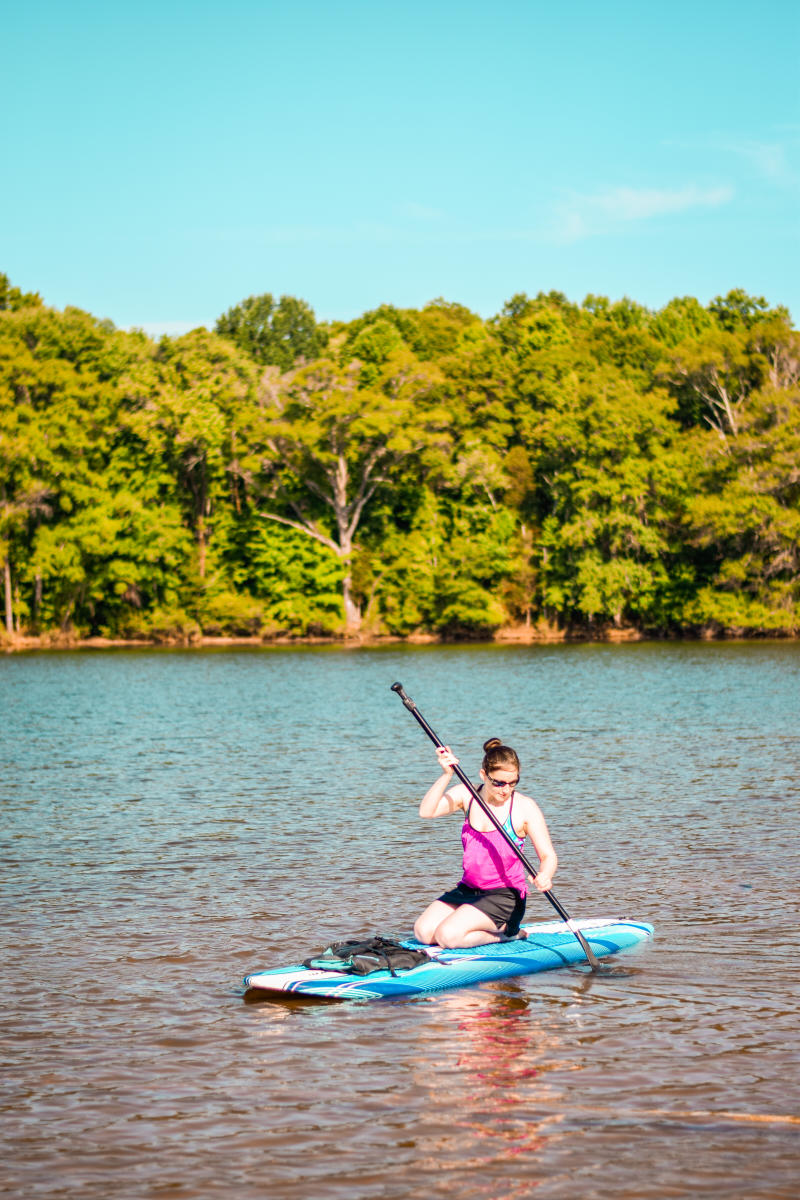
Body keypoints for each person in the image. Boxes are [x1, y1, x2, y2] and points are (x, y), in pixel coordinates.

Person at [413, 737, 558, 949]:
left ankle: (508, 934)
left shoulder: (524, 808)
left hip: (505, 896)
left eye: (512, 783)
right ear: (484, 775)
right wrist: (447, 775)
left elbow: (548, 856)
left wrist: (545, 874)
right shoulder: (467, 795)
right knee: (423, 932)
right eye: (498, 783)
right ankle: (475, 927)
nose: (505, 790)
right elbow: (426, 812)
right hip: (469, 890)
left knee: (448, 936)